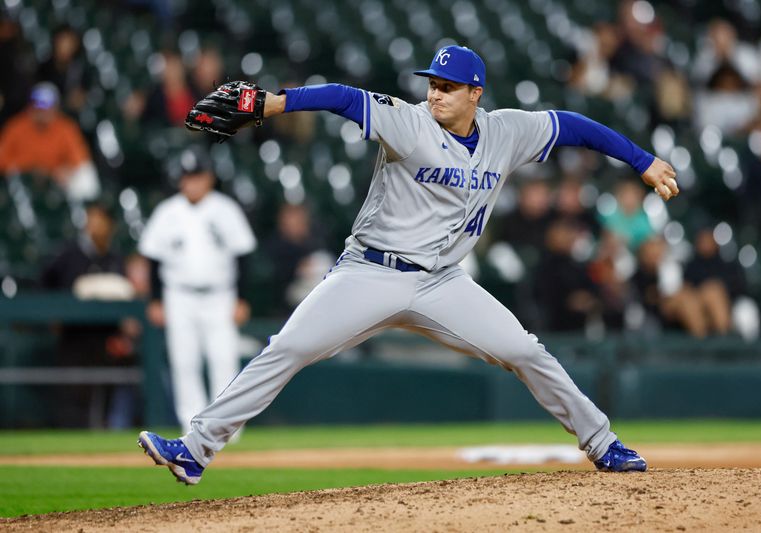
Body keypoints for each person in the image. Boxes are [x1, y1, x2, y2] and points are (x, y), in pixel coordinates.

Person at [138, 45, 679, 484]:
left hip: (441, 282)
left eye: (447, 87)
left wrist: (643, 160)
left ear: (475, 93)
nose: (435, 93)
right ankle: (194, 449)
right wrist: (276, 103)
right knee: (288, 348)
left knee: (523, 350)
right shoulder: (409, 122)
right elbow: (342, 98)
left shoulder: (506, 132)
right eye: (432, 84)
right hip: (369, 272)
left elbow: (575, 126)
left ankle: (603, 444)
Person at [138, 146, 256, 434]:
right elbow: (153, 259)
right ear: (180, 180)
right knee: (184, 362)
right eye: (188, 176)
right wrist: (155, 300)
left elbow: (244, 256)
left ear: (210, 178)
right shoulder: (168, 212)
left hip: (220, 294)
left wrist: (242, 298)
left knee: (223, 359)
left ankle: (226, 428)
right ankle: (192, 427)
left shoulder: (225, 209)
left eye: (198, 176)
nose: (193, 182)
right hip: (178, 295)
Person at [40, 203, 137, 428]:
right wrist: (53, 314)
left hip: (105, 337)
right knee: (74, 394)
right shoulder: (69, 253)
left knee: (106, 393)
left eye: (99, 220)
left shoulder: (114, 257)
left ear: (110, 225)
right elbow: (45, 282)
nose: (93, 226)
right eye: (90, 219)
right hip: (75, 337)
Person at [0, 82, 99, 201]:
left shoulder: (65, 128)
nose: (42, 111)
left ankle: (79, 213)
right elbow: (2, 159)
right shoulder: (16, 127)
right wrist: (27, 168)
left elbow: (80, 159)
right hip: (22, 179)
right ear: (30, 106)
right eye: (38, 105)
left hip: (54, 180)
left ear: (56, 107)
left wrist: (64, 169)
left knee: (85, 176)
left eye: (47, 106)